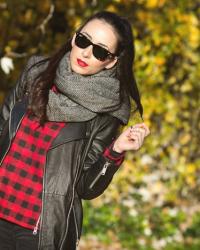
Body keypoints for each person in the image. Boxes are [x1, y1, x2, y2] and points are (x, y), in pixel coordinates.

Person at [0, 10, 150, 250]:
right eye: (83, 40)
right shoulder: (36, 72)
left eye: (100, 51)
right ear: (74, 38)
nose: (86, 52)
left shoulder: (108, 112)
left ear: (111, 61)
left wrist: (116, 151)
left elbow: (85, 188)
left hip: (38, 231)